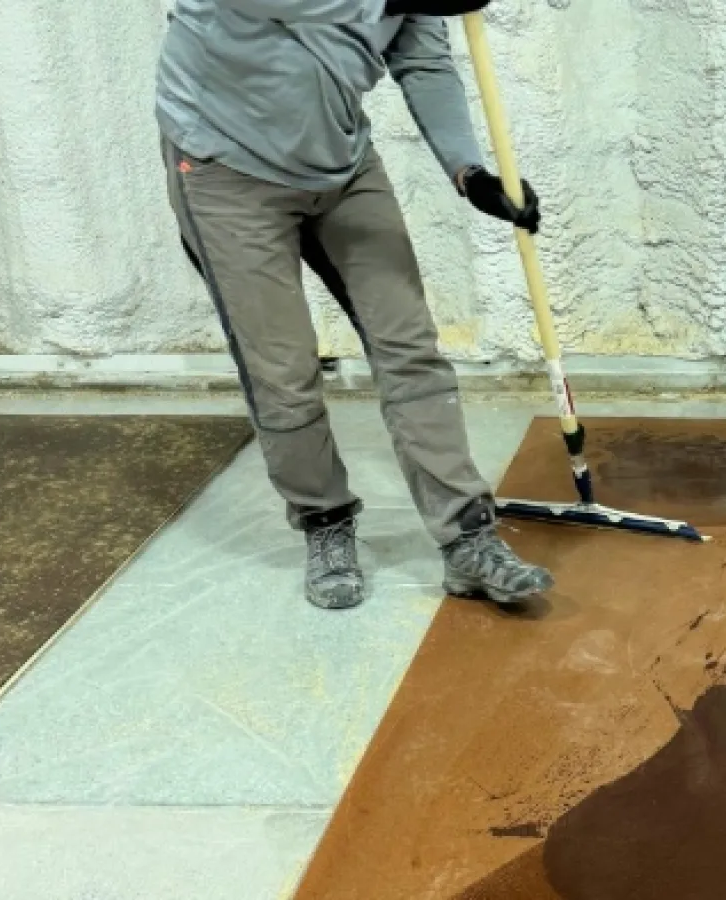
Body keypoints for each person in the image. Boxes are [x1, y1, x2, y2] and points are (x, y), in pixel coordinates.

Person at [155, 0, 555, 610]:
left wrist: (468, 170)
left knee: (410, 349)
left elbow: (421, 57)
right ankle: (325, 523)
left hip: (341, 163)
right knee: (284, 373)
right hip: (224, 165)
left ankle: (468, 540)